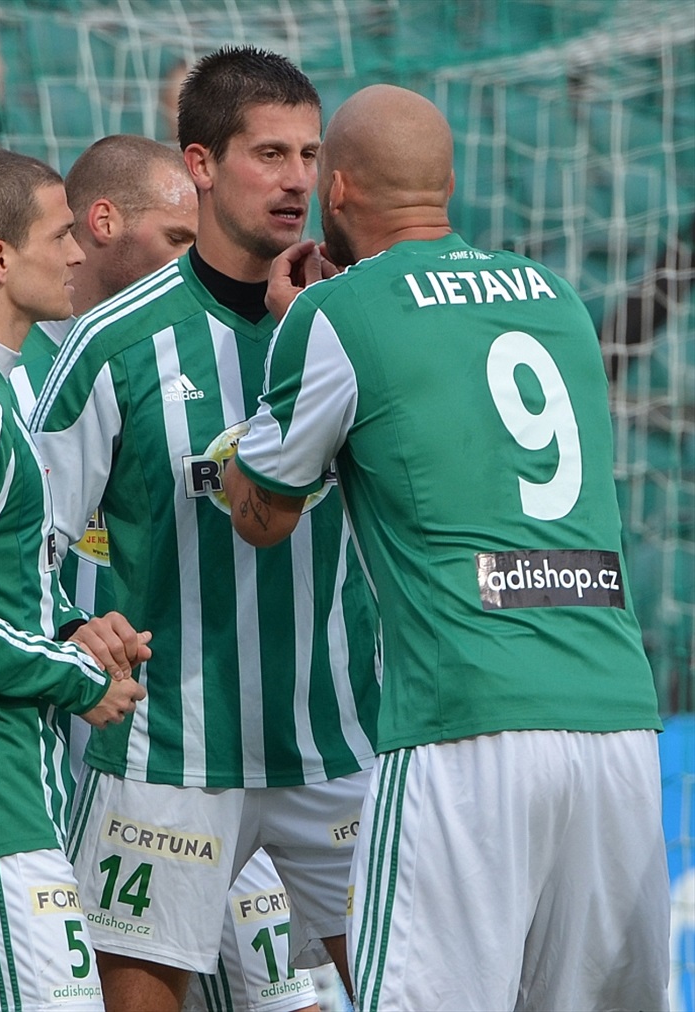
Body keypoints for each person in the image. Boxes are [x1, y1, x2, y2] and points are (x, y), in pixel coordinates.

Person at [224, 84, 671, 1012]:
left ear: (336, 191)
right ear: (451, 182)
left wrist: (285, 333)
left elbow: (263, 515)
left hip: (464, 724)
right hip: (617, 717)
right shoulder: (557, 299)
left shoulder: (336, 315)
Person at [30, 47, 378, 1012]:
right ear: (199, 163)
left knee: (409, 989)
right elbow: (33, 529)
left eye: (310, 154)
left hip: (339, 741)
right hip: (168, 752)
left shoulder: (355, 322)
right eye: (269, 153)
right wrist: (68, 627)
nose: (298, 180)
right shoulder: (112, 342)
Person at [0, 149, 148, 1011]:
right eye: (59, 233)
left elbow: (13, 578)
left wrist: (69, 627)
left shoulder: (12, 398)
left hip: (28, 786)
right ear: (0, 257)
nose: (79, 254)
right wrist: (77, 673)